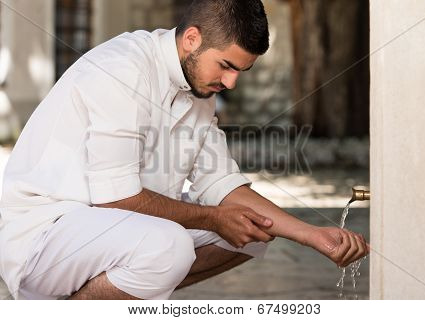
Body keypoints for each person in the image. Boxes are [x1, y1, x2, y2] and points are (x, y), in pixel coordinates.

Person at [0, 0, 368, 300]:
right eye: (226, 66)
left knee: (253, 233)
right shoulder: (122, 69)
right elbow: (117, 199)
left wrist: (313, 235)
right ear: (192, 38)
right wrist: (211, 218)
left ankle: (109, 298)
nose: (231, 82)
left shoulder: (199, 91)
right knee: (169, 245)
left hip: (110, 231)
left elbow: (224, 187)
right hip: (44, 233)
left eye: (241, 71)